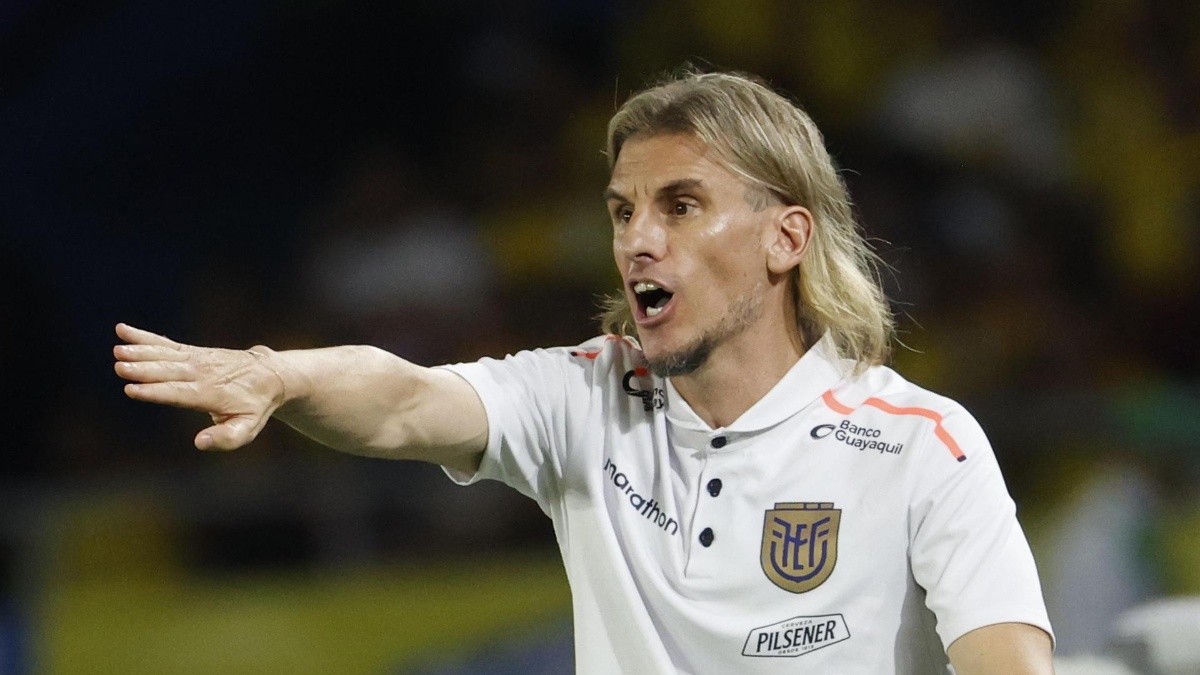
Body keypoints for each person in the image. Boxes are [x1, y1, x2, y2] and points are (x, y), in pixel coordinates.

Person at [114, 70, 1055, 674]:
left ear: (786, 237)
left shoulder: (918, 444)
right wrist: (285, 376)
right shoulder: (584, 398)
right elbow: (402, 400)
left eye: (681, 206)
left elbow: (1006, 660)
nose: (638, 240)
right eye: (622, 210)